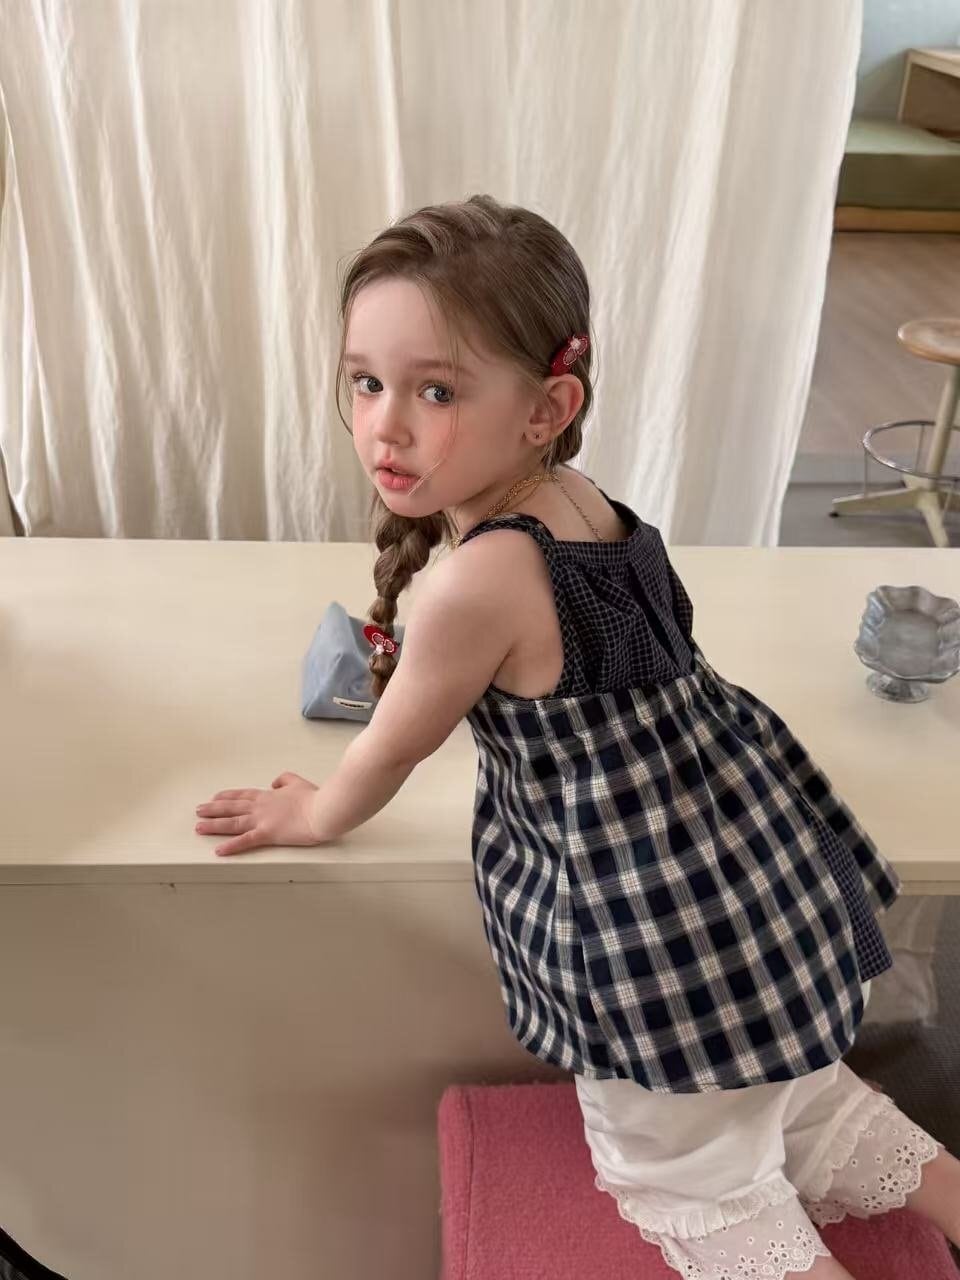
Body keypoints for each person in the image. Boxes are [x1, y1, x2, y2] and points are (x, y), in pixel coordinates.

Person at [195, 195, 959, 1278]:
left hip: (662, 937)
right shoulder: (583, 502)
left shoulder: (477, 584)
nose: (384, 426)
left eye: (435, 390)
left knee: (685, 1175)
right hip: (757, 877)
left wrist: (313, 812)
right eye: (366, 382)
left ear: (548, 405)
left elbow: (390, 749)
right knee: (791, 1094)